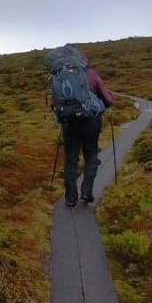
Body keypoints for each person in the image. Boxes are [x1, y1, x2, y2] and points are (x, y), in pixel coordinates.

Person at [61, 51, 115, 206]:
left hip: (69, 124)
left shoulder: (63, 78)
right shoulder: (92, 76)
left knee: (71, 159)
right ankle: (86, 192)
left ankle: (71, 198)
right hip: (91, 123)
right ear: (85, 62)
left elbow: (53, 104)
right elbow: (108, 101)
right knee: (91, 154)